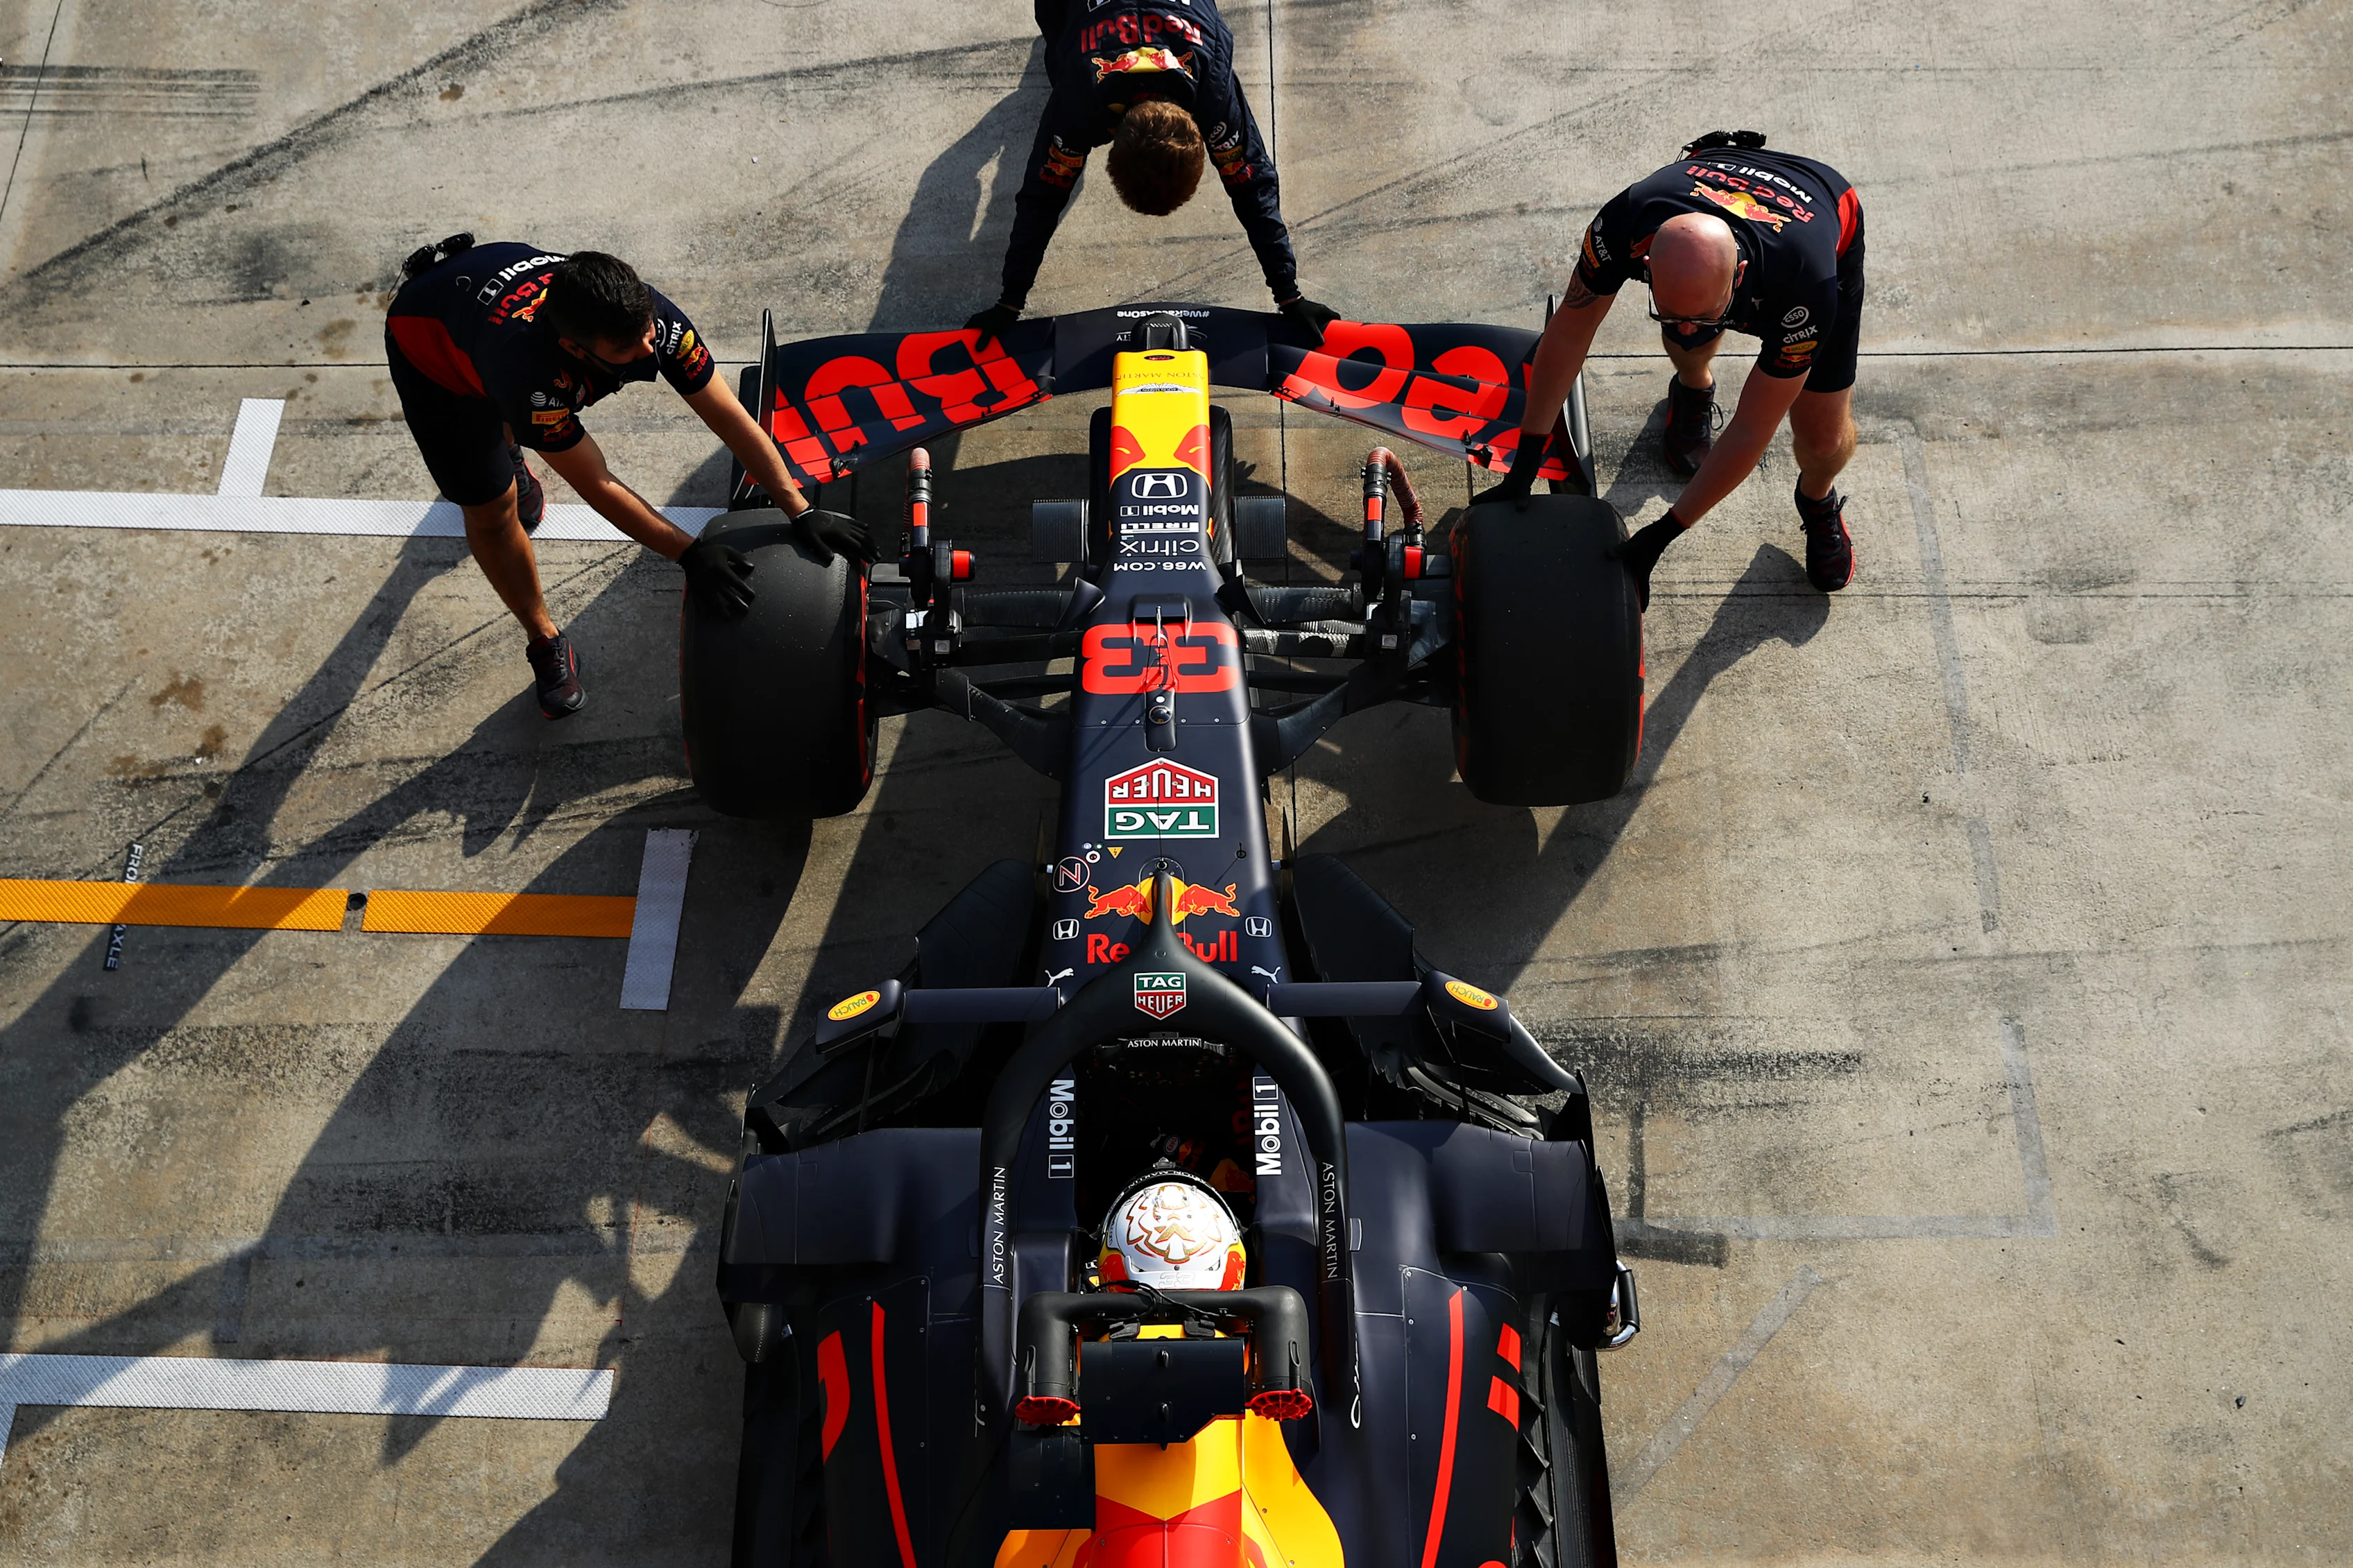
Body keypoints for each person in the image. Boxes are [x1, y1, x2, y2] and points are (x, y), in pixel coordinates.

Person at [384, 235, 872, 718]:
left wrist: (800, 507)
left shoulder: (653, 320)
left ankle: (513, 443)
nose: (647, 350)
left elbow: (729, 418)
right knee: (494, 508)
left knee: (528, 418)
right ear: (573, 348)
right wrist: (690, 554)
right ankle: (544, 636)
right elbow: (597, 480)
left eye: (647, 333)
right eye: (623, 347)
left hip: (487, 299)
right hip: (432, 344)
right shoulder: (525, 372)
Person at [1488, 134, 1866, 607]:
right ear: (1645, 263)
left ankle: (1817, 497)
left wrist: (1664, 533)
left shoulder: (1808, 285)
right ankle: (1693, 385)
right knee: (1690, 340)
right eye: (1667, 311)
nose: (1685, 323)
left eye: (1706, 313)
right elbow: (1569, 331)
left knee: (1821, 440)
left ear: (1740, 277)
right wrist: (1523, 462)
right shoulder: (1621, 224)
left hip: (1821, 214)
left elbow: (1752, 428)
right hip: (1711, 177)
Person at [964, 0, 1339, 349]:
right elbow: (1041, 198)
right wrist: (1009, 301)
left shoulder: (1206, 87)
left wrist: (1289, 294)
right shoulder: (1080, 100)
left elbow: (1253, 182)